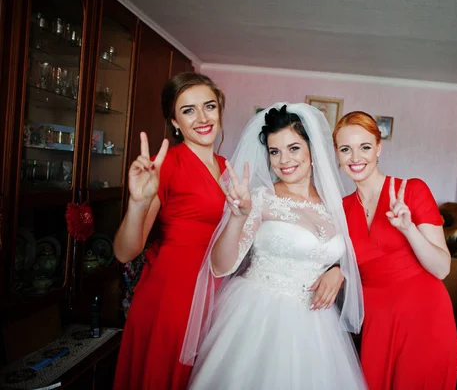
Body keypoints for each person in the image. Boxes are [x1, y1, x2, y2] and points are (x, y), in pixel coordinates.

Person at [182, 103, 366, 390]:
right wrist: (238, 217)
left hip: (317, 328)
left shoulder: (335, 206)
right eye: (274, 151)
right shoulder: (260, 198)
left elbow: (354, 256)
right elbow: (220, 267)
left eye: (293, 148)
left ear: (312, 150)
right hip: (260, 317)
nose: (283, 160)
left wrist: (337, 270)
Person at [113, 72, 227, 390]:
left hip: (219, 294)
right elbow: (125, 252)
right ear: (175, 122)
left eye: (209, 106)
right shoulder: (165, 165)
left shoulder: (230, 166)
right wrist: (138, 202)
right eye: (188, 110)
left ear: (220, 110)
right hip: (174, 297)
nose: (202, 118)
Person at [333, 111, 457, 389]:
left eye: (365, 147)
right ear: (337, 155)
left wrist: (408, 229)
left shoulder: (412, 190)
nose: (356, 157)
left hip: (424, 318)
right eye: (346, 149)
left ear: (378, 148)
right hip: (377, 323)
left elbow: (442, 268)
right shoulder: (340, 209)